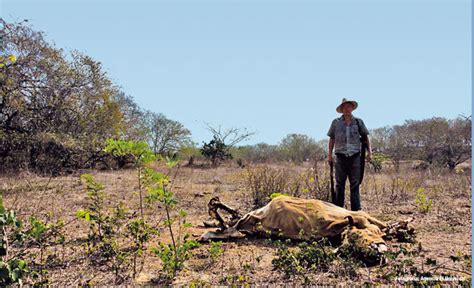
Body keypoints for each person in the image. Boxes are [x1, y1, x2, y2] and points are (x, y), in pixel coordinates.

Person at [327, 98, 372, 211]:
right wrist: (329, 154)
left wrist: (369, 152)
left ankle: (356, 211)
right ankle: (338, 211)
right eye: (344, 107)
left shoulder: (358, 122)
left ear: (352, 108)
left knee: (355, 184)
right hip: (340, 156)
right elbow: (332, 139)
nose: (346, 109)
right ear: (341, 109)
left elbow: (366, 138)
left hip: (355, 156)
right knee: (339, 184)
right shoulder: (336, 122)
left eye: (348, 106)